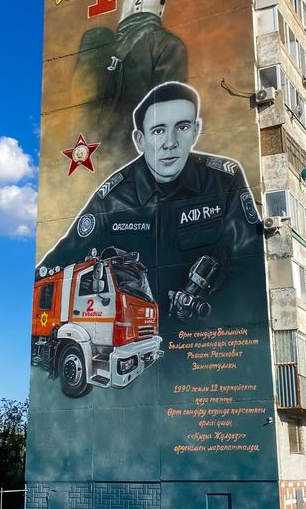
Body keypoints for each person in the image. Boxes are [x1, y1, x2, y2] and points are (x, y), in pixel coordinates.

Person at [37, 82, 265, 328]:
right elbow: (62, 261)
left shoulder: (223, 181)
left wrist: (204, 321)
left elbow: (251, 264)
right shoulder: (112, 199)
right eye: (158, 131)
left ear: (195, 131)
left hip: (204, 339)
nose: (170, 142)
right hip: (134, 334)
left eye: (182, 127)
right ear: (140, 140)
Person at [71, 0, 188, 151]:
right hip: (138, 152)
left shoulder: (101, 45)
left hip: (95, 150)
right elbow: (171, 108)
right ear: (160, 5)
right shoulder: (169, 44)